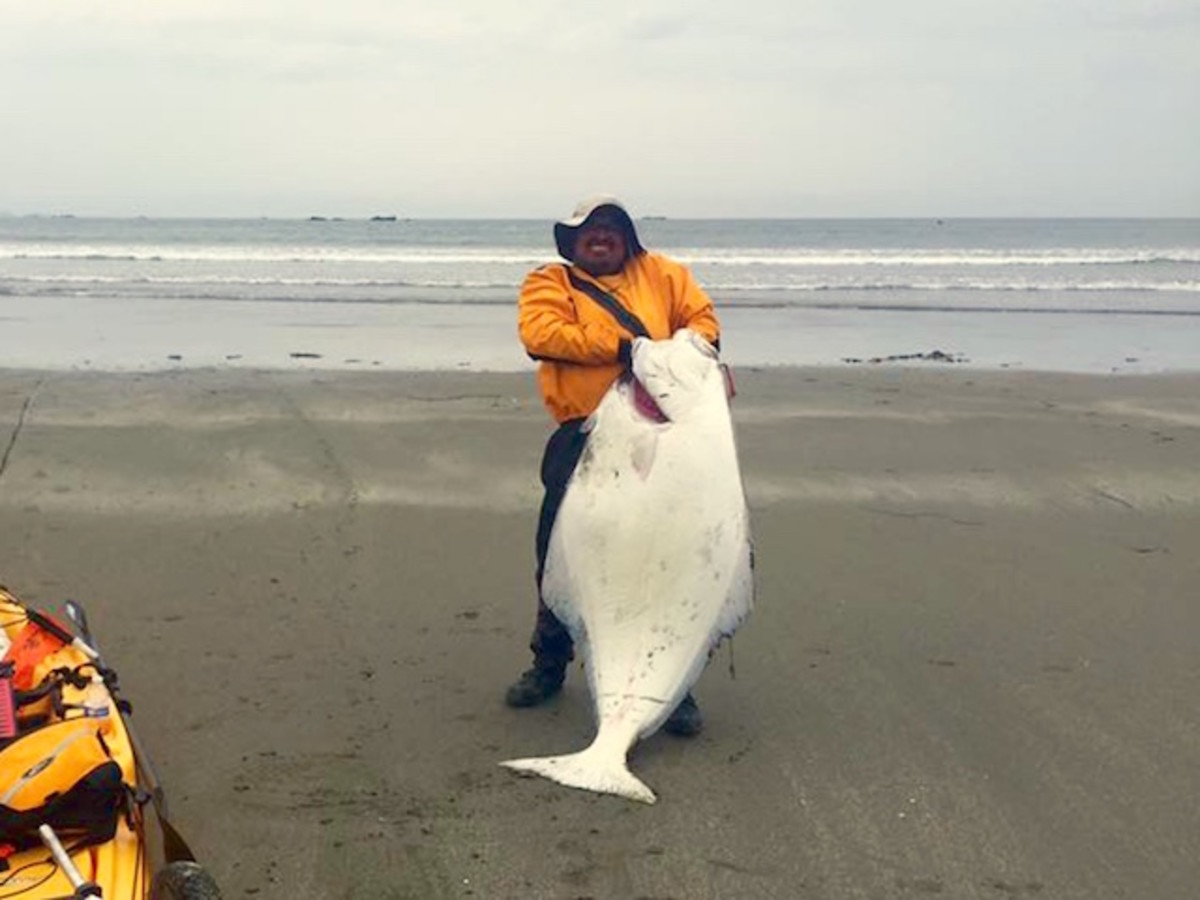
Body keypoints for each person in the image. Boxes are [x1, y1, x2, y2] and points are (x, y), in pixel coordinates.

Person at [505, 194, 722, 737]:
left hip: (662, 440)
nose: (600, 237)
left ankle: (674, 684)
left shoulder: (666, 275)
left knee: (661, 558)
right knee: (560, 554)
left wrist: (682, 354)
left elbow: (703, 324)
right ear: (572, 242)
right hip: (584, 438)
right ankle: (548, 663)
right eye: (589, 231)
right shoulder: (549, 283)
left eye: (611, 229)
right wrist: (630, 348)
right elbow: (542, 335)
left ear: (627, 237)